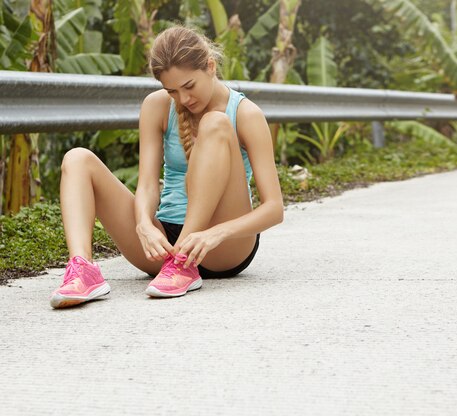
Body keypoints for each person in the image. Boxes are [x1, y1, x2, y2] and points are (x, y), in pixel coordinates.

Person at [49, 26, 284, 308]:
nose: (183, 99)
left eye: (189, 86)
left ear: (210, 66)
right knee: (77, 158)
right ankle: (82, 269)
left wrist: (214, 234)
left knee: (215, 122)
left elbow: (274, 209)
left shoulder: (246, 113)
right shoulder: (156, 106)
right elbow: (147, 183)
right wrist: (144, 224)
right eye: (172, 90)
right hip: (165, 243)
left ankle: (184, 264)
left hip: (222, 247)